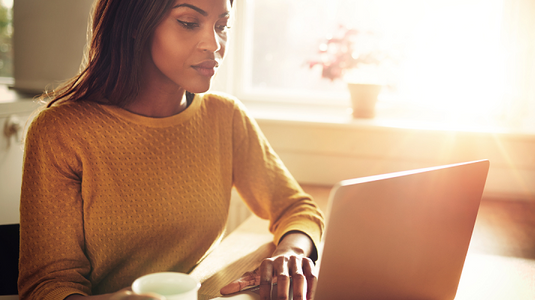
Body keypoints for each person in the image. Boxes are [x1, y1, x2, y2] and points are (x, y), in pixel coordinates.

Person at [17, 0, 325, 299]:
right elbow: (46, 285)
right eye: (189, 23)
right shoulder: (60, 132)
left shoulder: (225, 117)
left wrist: (291, 254)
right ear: (137, 23)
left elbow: (296, 209)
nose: (214, 44)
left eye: (222, 26)